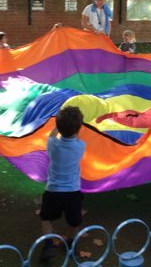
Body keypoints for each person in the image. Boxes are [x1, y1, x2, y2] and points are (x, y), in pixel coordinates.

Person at [39, 106, 86, 261]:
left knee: (46, 218)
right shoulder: (80, 146)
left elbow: (53, 134)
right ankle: (71, 244)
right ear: (78, 129)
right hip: (72, 192)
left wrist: (57, 126)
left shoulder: (52, 144)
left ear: (59, 127)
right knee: (75, 221)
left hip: (53, 191)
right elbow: (76, 137)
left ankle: (48, 245)